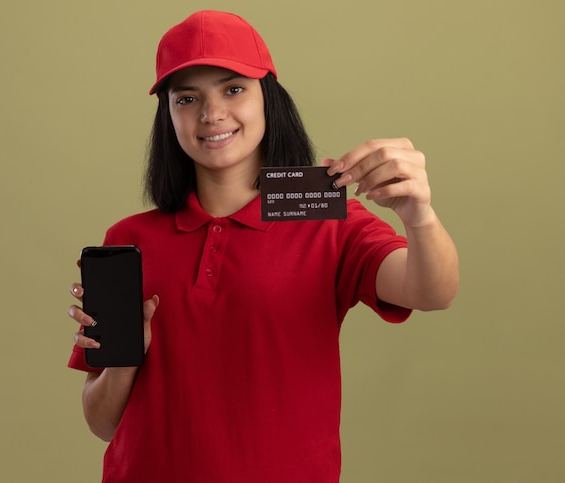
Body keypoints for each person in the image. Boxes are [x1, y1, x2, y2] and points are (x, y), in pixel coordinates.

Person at [67, 9, 459, 483]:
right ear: (167, 115)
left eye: (234, 89)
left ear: (269, 98)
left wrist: (419, 215)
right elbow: (103, 423)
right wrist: (127, 358)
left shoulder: (327, 221)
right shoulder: (128, 240)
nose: (212, 114)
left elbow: (433, 291)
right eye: (186, 98)